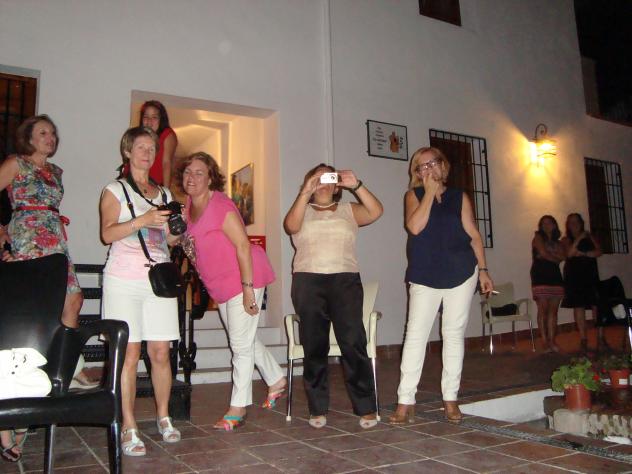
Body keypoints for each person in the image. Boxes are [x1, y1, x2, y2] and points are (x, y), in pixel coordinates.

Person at [177, 152, 286, 431]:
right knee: (244, 338)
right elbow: (179, 240)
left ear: (210, 178)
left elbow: (242, 246)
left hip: (244, 277)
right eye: (188, 172)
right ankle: (276, 379)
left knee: (239, 345)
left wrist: (248, 290)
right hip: (221, 284)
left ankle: (238, 407)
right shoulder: (188, 206)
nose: (192, 177)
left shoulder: (220, 205)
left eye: (199, 172)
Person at [389, 147, 493, 425]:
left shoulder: (460, 197)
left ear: (443, 166)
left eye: (433, 163)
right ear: (416, 173)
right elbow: (415, 227)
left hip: (461, 271)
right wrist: (429, 195)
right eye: (422, 166)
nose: (429, 169)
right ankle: (405, 401)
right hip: (425, 274)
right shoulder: (413, 196)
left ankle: (450, 398)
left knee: (453, 334)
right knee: (415, 335)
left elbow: (473, 234)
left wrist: (484, 270)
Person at [99, 126, 181, 456]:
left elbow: (169, 240)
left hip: (158, 279)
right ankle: (129, 425)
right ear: (127, 151)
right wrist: (142, 220)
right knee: (130, 354)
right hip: (124, 279)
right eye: (141, 147)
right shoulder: (115, 189)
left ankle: (163, 416)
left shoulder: (164, 193)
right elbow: (107, 234)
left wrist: (176, 229)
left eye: (152, 148)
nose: (148, 153)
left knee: (160, 351)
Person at [284, 163, 382, 429]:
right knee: (314, 346)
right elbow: (290, 226)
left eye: (329, 178)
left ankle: (366, 407)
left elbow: (376, 211)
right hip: (307, 281)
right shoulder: (302, 210)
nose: (323, 183)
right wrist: (305, 192)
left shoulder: (348, 210)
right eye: (317, 178)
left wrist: (356, 185)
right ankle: (317, 408)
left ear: (337, 185)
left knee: (353, 342)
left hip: (345, 281)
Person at [561, 213, 604, 353]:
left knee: (596, 305)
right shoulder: (566, 239)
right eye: (571, 222)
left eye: (576, 221)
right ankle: (583, 339)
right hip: (574, 275)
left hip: (590, 274)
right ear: (568, 225)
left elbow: (599, 251)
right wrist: (580, 238)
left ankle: (601, 337)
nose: (574, 224)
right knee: (578, 306)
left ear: (581, 223)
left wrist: (585, 253)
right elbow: (569, 253)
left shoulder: (590, 236)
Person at [531, 215, 565, 353]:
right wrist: (553, 256)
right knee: (543, 309)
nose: (546, 226)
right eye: (543, 223)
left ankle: (552, 340)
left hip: (555, 276)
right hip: (540, 275)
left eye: (549, 223)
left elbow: (563, 256)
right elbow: (543, 253)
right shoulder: (538, 237)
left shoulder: (558, 242)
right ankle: (544, 341)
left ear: (554, 225)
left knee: (553, 311)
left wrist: (549, 255)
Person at [139, 100, 178, 187]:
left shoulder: (167, 134)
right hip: (138, 184)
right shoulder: (139, 137)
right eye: (146, 117)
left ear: (161, 119)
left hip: (156, 186)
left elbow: (166, 163)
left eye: (154, 117)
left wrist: (165, 191)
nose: (149, 121)